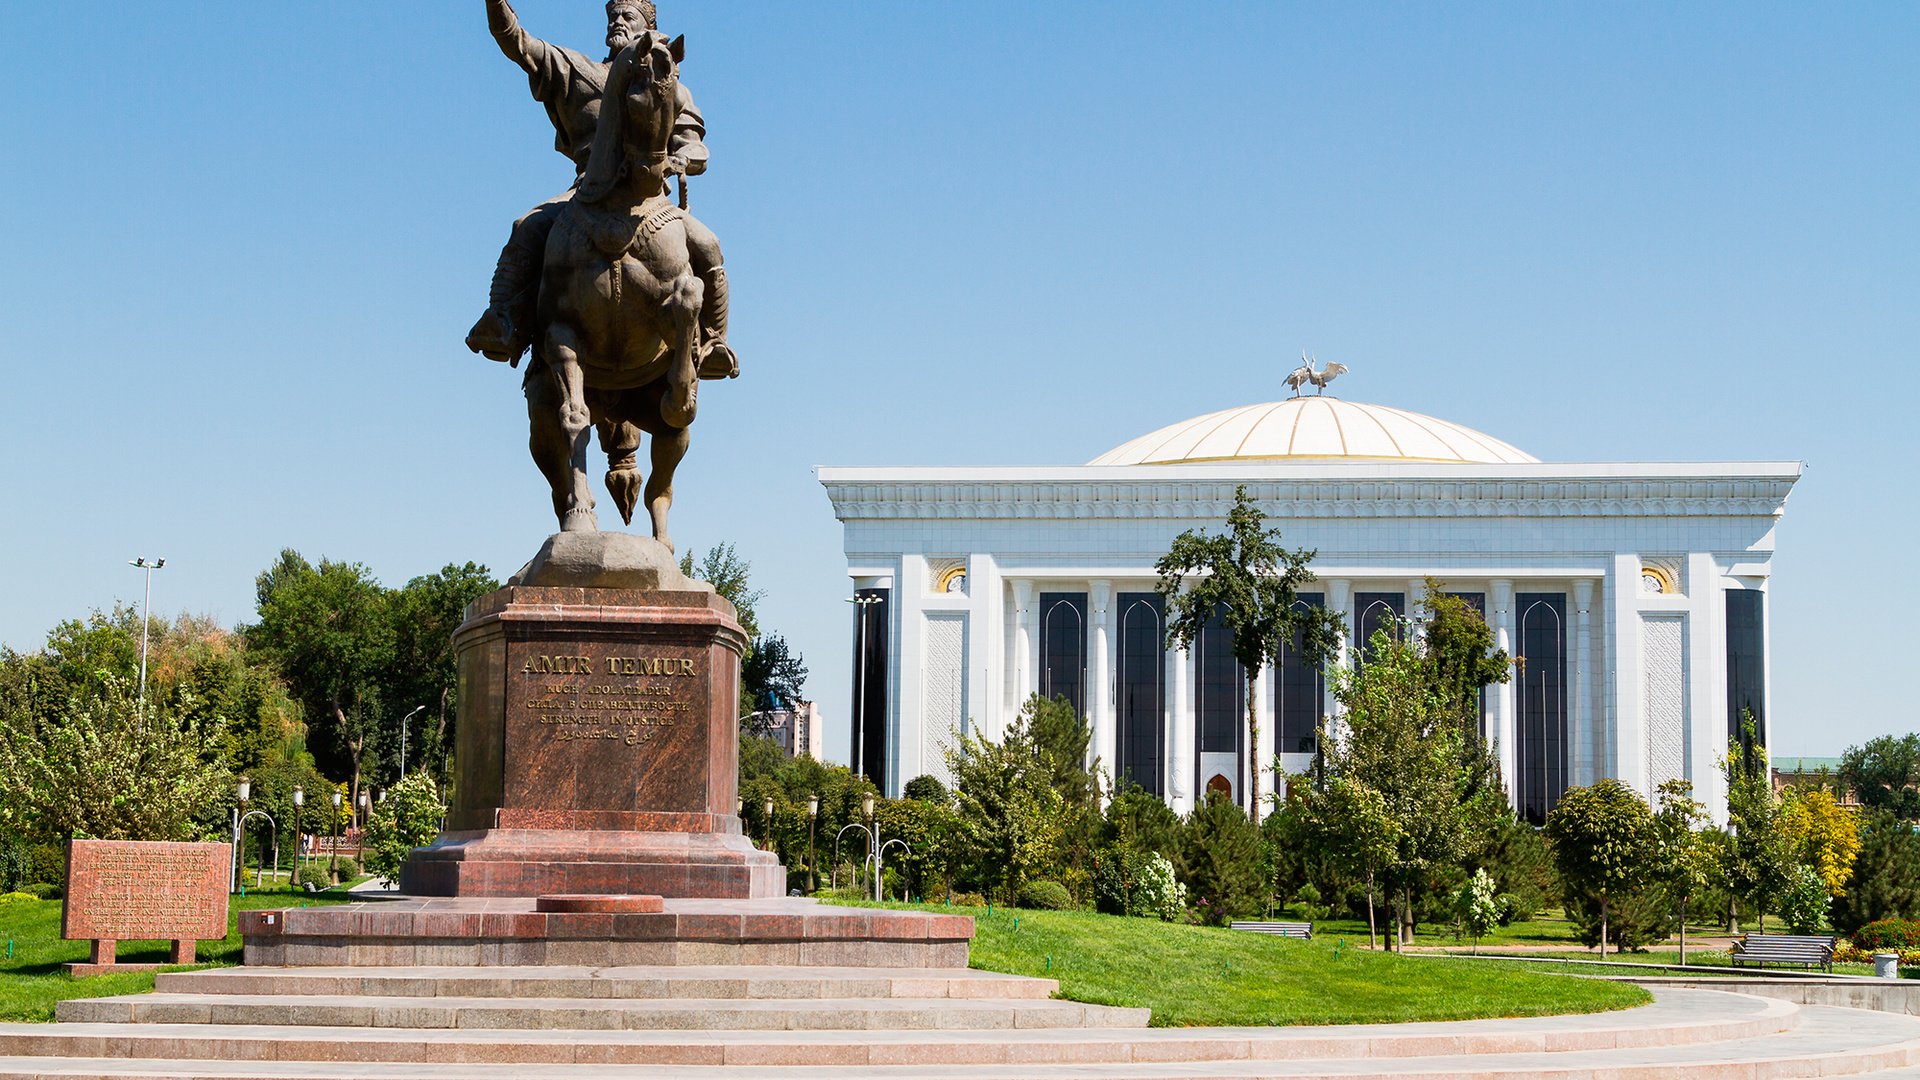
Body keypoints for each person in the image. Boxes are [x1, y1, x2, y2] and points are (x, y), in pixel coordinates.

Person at [466, 0, 733, 377]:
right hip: (585, 189)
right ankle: (504, 320)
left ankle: (713, 341)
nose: (617, 22)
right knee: (526, 226)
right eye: (613, 16)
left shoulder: (668, 81)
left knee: (708, 244)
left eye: (627, 16)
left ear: (646, 26)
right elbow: (518, 42)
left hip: (651, 199)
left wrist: (682, 160)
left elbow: (695, 145)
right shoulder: (578, 71)